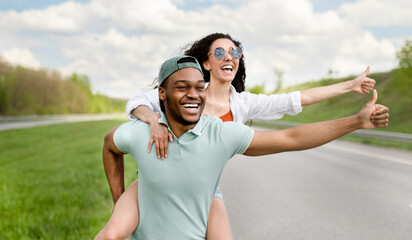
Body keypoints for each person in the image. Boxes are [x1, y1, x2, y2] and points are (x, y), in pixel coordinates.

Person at [94, 55, 389, 240]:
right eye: (182, 87)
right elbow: (110, 144)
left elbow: (292, 138)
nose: (194, 94)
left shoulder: (221, 134)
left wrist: (356, 121)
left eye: (200, 87)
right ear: (162, 94)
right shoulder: (141, 132)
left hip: (204, 198)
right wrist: (119, 199)